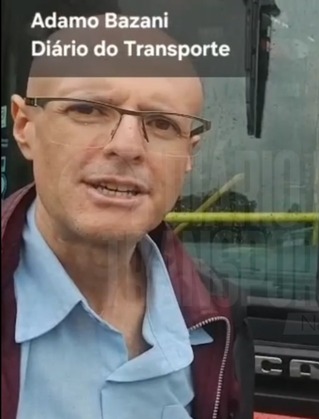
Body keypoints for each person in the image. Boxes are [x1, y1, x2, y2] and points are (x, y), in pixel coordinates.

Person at [0, 21, 250, 419]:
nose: (127, 146)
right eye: (87, 110)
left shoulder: (219, 314)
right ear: (25, 126)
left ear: (189, 153)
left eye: (162, 123)